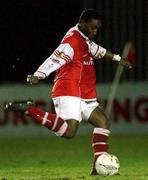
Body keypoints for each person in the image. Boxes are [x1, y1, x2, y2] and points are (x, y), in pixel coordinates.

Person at [5, 9, 132, 175]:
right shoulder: (72, 41)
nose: (95, 31)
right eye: (93, 28)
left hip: (84, 92)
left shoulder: (84, 39)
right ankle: (30, 109)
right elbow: (55, 58)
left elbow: (97, 50)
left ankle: (97, 168)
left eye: (97, 28)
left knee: (103, 122)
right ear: (84, 23)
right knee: (69, 131)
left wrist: (117, 58)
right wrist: (38, 75)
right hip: (68, 89)